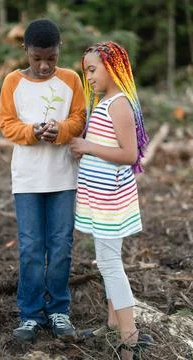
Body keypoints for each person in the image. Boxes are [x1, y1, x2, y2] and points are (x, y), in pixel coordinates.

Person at [0, 18, 85, 343]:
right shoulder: (11, 82)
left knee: (61, 245)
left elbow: (78, 118)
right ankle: (31, 313)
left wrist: (60, 131)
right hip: (27, 179)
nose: (45, 65)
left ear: (59, 49)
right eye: (37, 58)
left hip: (63, 177)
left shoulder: (71, 80)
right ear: (26, 51)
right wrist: (32, 132)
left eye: (51, 58)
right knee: (31, 247)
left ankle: (59, 309)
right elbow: (7, 123)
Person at [70, 41, 152, 360]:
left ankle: (128, 339)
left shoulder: (118, 104)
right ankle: (111, 323)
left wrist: (88, 147)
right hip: (100, 197)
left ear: (112, 67)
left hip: (111, 200)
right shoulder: (105, 102)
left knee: (108, 263)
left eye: (92, 70)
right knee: (107, 261)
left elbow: (129, 154)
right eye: (85, 71)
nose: (88, 77)